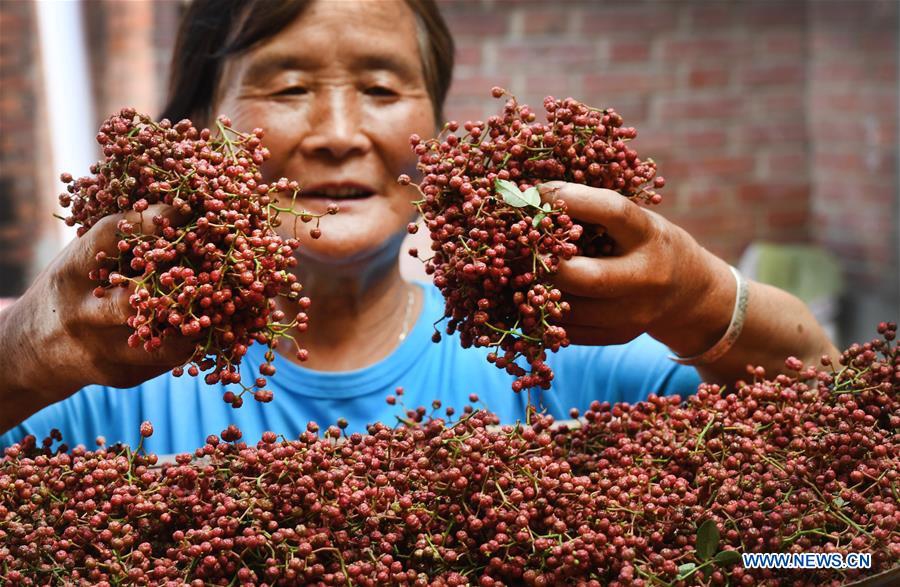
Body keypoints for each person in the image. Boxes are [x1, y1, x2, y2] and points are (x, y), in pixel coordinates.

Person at [0, 0, 838, 454]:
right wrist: (24, 354)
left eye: (381, 87)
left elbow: (840, 437)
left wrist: (697, 296)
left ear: (437, 134)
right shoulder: (108, 371)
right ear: (196, 129)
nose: (339, 133)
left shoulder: (549, 353)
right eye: (287, 88)